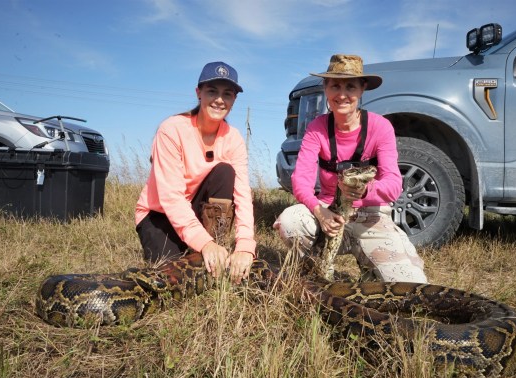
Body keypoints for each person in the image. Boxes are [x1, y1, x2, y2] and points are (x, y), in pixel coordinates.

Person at [273, 54, 427, 283]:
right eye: (335, 85)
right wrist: (319, 211)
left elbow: (394, 185)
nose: (342, 94)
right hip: (328, 210)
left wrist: (365, 192)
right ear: (325, 88)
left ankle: (371, 265)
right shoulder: (316, 128)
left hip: (371, 215)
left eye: (350, 86)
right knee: (290, 222)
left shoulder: (380, 127)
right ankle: (315, 266)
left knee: (412, 285)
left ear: (362, 89)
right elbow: (300, 180)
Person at [135, 61, 255, 283]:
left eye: (227, 94)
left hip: (195, 209)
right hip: (158, 214)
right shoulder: (171, 129)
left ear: (234, 100)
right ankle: (205, 247)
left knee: (225, 171)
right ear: (198, 93)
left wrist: (246, 245)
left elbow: (242, 195)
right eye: (212, 91)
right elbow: (171, 198)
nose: (219, 100)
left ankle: (214, 246)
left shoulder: (234, 138)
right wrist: (204, 243)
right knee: (172, 275)